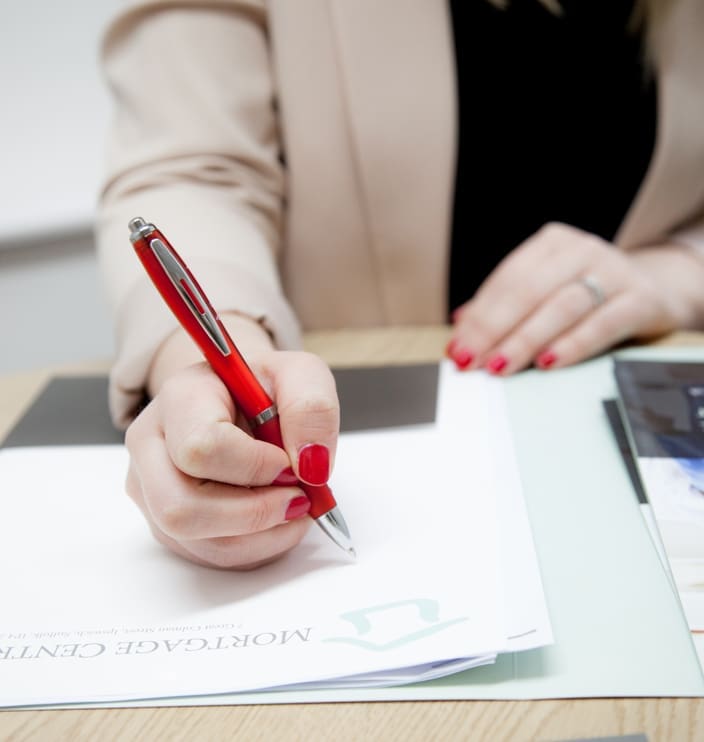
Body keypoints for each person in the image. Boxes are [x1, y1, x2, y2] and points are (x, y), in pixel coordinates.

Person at [95, 0, 704, 569]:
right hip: (366, 396)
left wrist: (680, 269)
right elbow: (192, 170)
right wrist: (222, 369)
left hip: (637, 402)